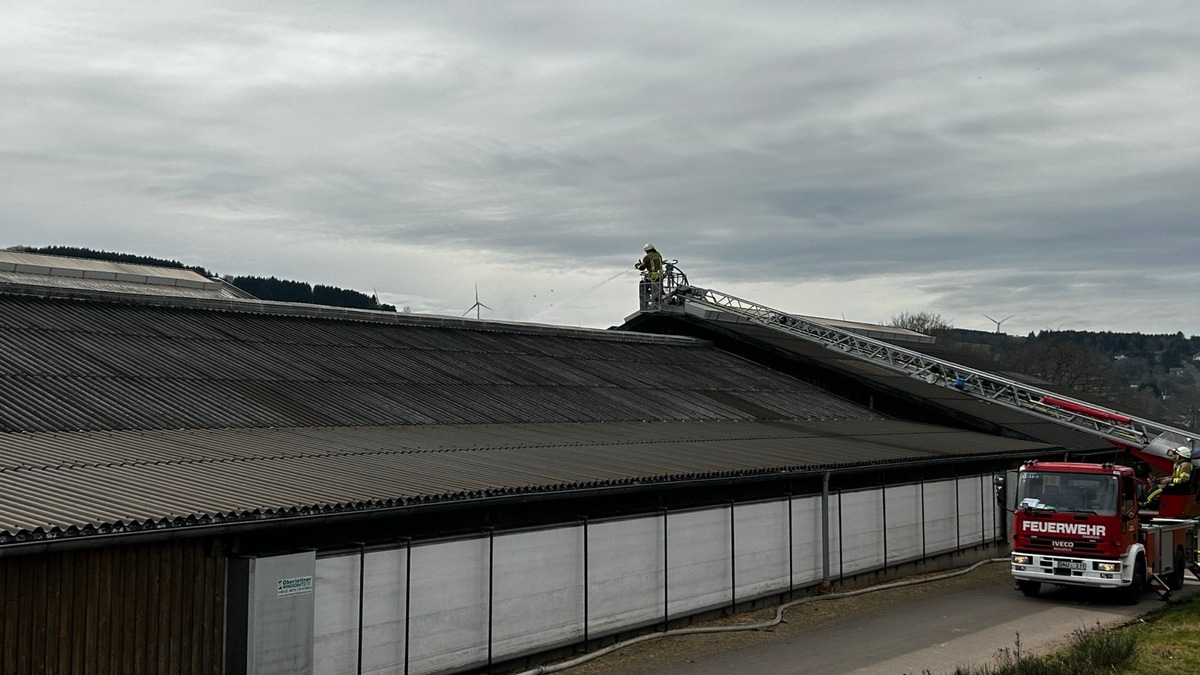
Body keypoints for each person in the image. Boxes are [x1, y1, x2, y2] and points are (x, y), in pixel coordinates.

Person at [634, 243, 664, 308]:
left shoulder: (647, 257)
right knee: (658, 290)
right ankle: (659, 300)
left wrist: (638, 266)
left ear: (646, 250)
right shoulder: (658, 255)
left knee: (644, 285)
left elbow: (642, 267)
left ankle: (647, 304)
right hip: (660, 276)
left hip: (653, 276)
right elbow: (654, 263)